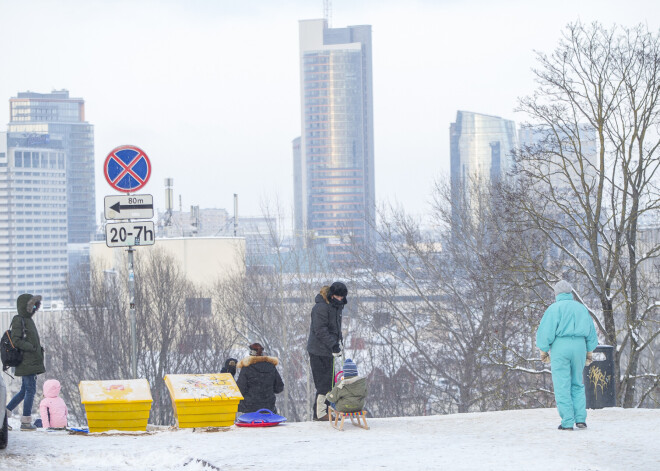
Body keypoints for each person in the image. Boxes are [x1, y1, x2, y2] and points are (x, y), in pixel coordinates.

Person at [536, 280, 598, 430]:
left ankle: (568, 421)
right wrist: (589, 350)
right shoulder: (581, 308)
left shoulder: (554, 309)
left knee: (562, 385)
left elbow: (546, 332)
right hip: (579, 347)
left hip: (560, 347)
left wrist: (543, 349)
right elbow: (591, 332)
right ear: (570, 293)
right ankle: (581, 419)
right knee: (577, 383)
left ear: (556, 294)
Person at [306, 281, 347, 421]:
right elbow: (320, 330)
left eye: (342, 297)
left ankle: (326, 409)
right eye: (337, 296)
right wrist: (333, 344)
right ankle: (320, 413)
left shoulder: (336, 306)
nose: (340, 299)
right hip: (318, 350)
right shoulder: (321, 308)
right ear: (331, 295)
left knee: (330, 382)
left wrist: (338, 341)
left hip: (329, 350)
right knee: (323, 383)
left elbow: (335, 327)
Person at [6, 294, 45, 431]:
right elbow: (16, 340)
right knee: (30, 390)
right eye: (32, 305)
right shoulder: (19, 320)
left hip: (31, 361)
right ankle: (26, 422)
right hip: (26, 361)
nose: (34, 308)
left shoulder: (28, 320)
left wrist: (38, 349)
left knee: (24, 391)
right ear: (25, 306)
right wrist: (32, 348)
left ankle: (5, 414)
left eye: (36, 305)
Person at [236, 343, 284, 414]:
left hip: (250, 409)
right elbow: (279, 388)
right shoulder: (271, 367)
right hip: (269, 408)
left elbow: (239, 390)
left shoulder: (246, 368)